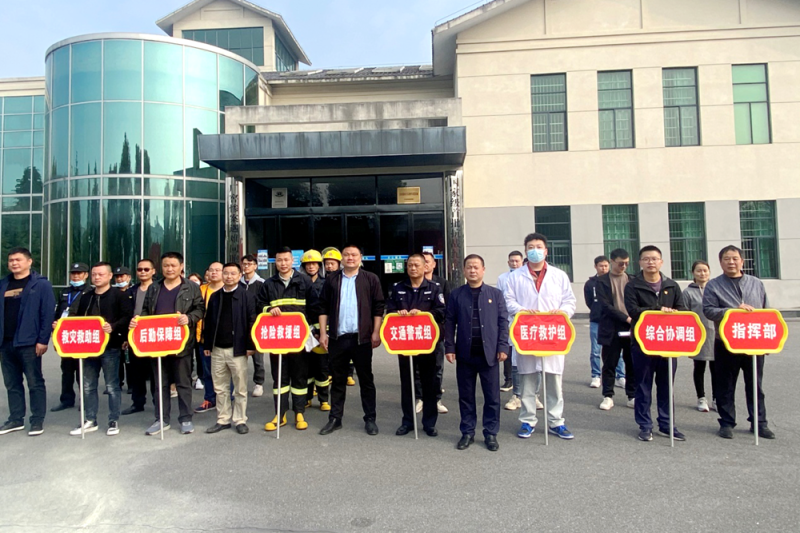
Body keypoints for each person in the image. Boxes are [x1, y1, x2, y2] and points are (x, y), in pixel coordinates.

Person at [505, 233, 577, 441]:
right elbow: (508, 301)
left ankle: (556, 421)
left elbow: (569, 301)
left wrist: (561, 313)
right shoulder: (515, 277)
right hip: (527, 334)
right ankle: (527, 420)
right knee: (527, 380)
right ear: (525, 251)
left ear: (546, 251)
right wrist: (522, 311)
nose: (534, 250)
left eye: (538, 247)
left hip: (552, 335)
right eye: (530, 247)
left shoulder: (559, 275)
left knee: (554, 380)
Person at [702, 245, 775, 440]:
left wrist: (768, 342)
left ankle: (759, 423)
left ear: (742, 261)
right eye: (726, 259)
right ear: (721, 262)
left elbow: (766, 312)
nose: (731, 262)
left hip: (754, 342)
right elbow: (708, 310)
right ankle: (726, 423)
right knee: (725, 385)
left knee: (755, 385)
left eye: (735, 258)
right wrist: (732, 311)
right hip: (726, 343)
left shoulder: (756, 283)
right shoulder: (713, 285)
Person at [130, 251, 205, 436]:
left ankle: (185, 418)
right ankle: (161, 419)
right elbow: (146, 310)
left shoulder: (191, 287)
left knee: (183, 383)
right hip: (157, 343)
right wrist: (138, 321)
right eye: (166, 265)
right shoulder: (154, 288)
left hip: (181, 343)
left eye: (173, 265)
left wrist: (189, 318)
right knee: (160, 384)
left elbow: (200, 309)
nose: (169, 269)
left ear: (181, 267)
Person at [318, 244, 385, 436]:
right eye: (346, 254)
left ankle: (370, 419)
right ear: (341, 258)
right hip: (337, 338)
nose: (350, 257)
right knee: (337, 380)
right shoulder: (332, 279)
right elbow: (323, 307)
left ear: (360, 257)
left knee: (366, 379)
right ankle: (335, 418)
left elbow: (378, 307)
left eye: (354, 254)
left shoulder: (370, 279)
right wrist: (323, 333)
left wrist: (376, 332)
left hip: (361, 338)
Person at [444, 254, 508, 451]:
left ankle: (490, 433)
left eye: (476, 267)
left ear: (483, 270)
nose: (472, 270)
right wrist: (449, 347)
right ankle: (467, 432)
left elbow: (503, 322)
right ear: (464, 271)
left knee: (492, 397)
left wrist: (503, 346)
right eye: (469, 267)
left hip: (489, 354)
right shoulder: (456, 294)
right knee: (466, 396)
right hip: (465, 354)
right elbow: (449, 322)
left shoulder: (495, 294)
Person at [61, 263, 133, 436]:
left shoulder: (119, 295)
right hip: (88, 347)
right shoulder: (86, 297)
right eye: (94, 274)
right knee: (88, 385)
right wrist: (61, 325)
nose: (97, 277)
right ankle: (90, 419)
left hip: (110, 346)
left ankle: (113, 420)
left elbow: (127, 317)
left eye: (101, 274)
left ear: (110, 276)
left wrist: (113, 326)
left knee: (112, 385)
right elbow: (78, 319)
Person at [624, 246, 685, 442]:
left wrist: (674, 313)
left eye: (654, 259)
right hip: (643, 342)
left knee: (666, 386)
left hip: (668, 343)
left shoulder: (672, 285)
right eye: (646, 259)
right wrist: (658, 309)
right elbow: (633, 311)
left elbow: (682, 309)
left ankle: (667, 425)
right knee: (643, 386)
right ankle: (645, 425)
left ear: (661, 262)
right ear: (640, 262)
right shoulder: (633, 286)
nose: (651, 262)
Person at [255, 247, 318, 432]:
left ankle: (299, 413)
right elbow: (259, 305)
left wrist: (316, 331)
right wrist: (268, 309)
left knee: (300, 376)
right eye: (279, 260)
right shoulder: (268, 284)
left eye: (286, 260)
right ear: (275, 262)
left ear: (292, 261)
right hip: (277, 338)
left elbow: (314, 307)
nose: (283, 263)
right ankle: (280, 414)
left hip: (299, 337)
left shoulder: (304, 281)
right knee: (279, 377)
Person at [387, 254, 445, 437]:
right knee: (408, 383)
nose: (413, 268)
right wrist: (398, 313)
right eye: (410, 265)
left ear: (425, 267)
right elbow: (389, 311)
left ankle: (429, 423)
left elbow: (442, 311)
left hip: (427, 342)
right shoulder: (398, 288)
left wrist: (423, 314)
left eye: (417, 265)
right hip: (405, 343)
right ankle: (408, 421)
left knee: (430, 383)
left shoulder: (434, 288)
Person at [0, 247, 55, 437]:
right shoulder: (3, 284)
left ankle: (37, 420)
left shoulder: (41, 285)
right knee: (12, 383)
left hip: (29, 343)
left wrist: (43, 340)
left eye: (18, 260)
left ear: (29, 262)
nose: (14, 263)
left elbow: (47, 314)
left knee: (34, 382)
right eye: (11, 260)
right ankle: (16, 419)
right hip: (5, 343)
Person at [204, 262, 256, 435]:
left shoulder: (246, 296)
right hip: (217, 348)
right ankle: (223, 419)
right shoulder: (215, 296)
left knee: (240, 387)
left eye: (233, 273)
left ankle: (240, 419)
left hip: (238, 349)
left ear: (240, 275)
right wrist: (207, 344)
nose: (229, 276)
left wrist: (250, 345)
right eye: (226, 273)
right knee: (220, 387)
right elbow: (208, 322)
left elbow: (252, 321)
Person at [597, 248, 636, 410]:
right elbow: (605, 305)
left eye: (627, 263)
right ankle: (608, 396)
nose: (624, 266)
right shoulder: (602, 281)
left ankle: (632, 395)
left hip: (631, 327)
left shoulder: (632, 280)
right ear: (612, 261)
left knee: (631, 362)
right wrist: (625, 317)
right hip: (611, 327)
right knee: (609, 363)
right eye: (621, 263)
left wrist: (632, 319)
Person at [50, 262, 91, 412]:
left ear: (86, 275)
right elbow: (58, 313)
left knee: (82, 370)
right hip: (66, 336)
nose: (76, 276)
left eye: (79, 273)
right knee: (66, 370)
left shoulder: (90, 292)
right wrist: (55, 328)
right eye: (73, 273)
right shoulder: (65, 292)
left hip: (81, 336)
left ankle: (85, 401)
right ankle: (66, 399)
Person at [121, 259, 157, 415]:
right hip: (134, 336)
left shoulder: (159, 289)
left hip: (154, 336)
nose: (143, 272)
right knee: (136, 372)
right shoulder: (131, 291)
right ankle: (137, 402)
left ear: (153, 271)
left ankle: (158, 404)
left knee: (155, 372)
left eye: (146, 269)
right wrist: (125, 337)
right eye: (140, 269)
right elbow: (125, 315)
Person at [682, 260, 716, 413]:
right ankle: (701, 397)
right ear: (693, 273)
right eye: (699, 271)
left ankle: (716, 398)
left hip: (717, 334)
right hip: (699, 335)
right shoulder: (688, 292)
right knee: (699, 367)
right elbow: (685, 314)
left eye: (705, 270)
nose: (702, 274)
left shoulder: (715, 289)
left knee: (717, 369)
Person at [419, 250, 450, 415]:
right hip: (417, 333)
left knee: (437, 368)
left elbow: (447, 308)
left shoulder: (442, 283)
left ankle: (436, 399)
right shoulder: (412, 283)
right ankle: (419, 398)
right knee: (417, 369)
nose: (425, 264)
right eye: (422, 261)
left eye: (428, 261)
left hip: (437, 333)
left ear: (433, 264)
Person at [585, 256, 623, 388]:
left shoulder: (614, 280)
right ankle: (596, 376)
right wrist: (597, 311)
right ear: (595, 266)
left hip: (614, 320)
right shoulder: (590, 283)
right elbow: (589, 301)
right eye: (601, 266)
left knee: (618, 350)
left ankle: (620, 376)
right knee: (595, 350)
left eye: (606, 266)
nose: (604, 268)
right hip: (597, 321)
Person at [322, 247, 356, 387]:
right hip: (329, 322)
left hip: (346, 323)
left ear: (338, 264)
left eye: (332, 263)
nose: (329, 266)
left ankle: (349, 374)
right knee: (331, 351)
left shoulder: (344, 279)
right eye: (327, 264)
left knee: (350, 353)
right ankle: (331, 372)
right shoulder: (324, 280)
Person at [301, 249, 330, 411]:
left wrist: (322, 332)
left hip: (322, 332)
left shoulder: (326, 283)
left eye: (314, 264)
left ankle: (324, 399)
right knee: (306, 367)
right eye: (308, 264)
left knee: (322, 367)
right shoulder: (300, 283)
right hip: (305, 330)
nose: (311, 266)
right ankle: (307, 398)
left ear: (319, 266)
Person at [194, 262, 224, 413]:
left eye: (217, 270)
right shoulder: (201, 290)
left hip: (226, 339)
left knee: (226, 372)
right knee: (208, 371)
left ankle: (226, 399)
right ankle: (210, 399)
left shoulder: (229, 289)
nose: (214, 273)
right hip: (205, 338)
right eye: (211, 270)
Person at [497, 251, 525, 410]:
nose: (514, 264)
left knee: (534, 359)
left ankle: (534, 395)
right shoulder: (503, 278)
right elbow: (502, 300)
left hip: (528, 322)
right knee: (512, 355)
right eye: (512, 261)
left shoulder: (528, 278)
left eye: (517, 261)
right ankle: (515, 392)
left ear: (522, 262)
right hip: (510, 320)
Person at [241, 253, 266, 397]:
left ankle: (259, 383)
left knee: (258, 357)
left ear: (255, 266)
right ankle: (240, 384)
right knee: (239, 357)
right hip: (240, 324)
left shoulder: (261, 283)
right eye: (244, 264)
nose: (246, 267)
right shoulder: (238, 282)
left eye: (249, 264)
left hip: (256, 324)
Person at [113, 266, 134, 395]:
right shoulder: (113, 293)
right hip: (116, 330)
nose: (120, 279)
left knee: (129, 360)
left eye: (122, 276)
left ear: (129, 277)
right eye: (117, 276)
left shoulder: (133, 292)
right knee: (117, 360)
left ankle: (131, 384)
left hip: (130, 330)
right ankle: (118, 383)